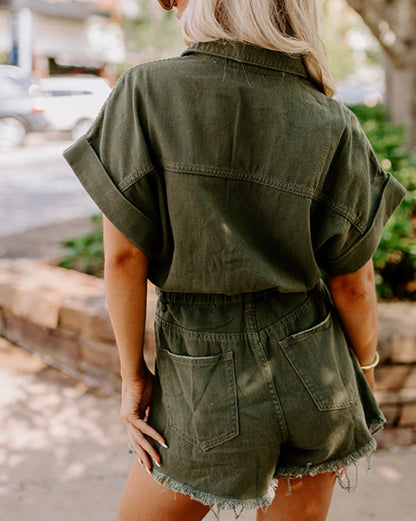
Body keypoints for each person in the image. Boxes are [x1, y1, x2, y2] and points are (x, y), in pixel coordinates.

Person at [63, 1, 406, 520]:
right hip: (318, 373)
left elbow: (125, 258)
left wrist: (133, 376)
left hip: (202, 378)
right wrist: (364, 372)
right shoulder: (333, 120)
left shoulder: (146, 93)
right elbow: (353, 285)